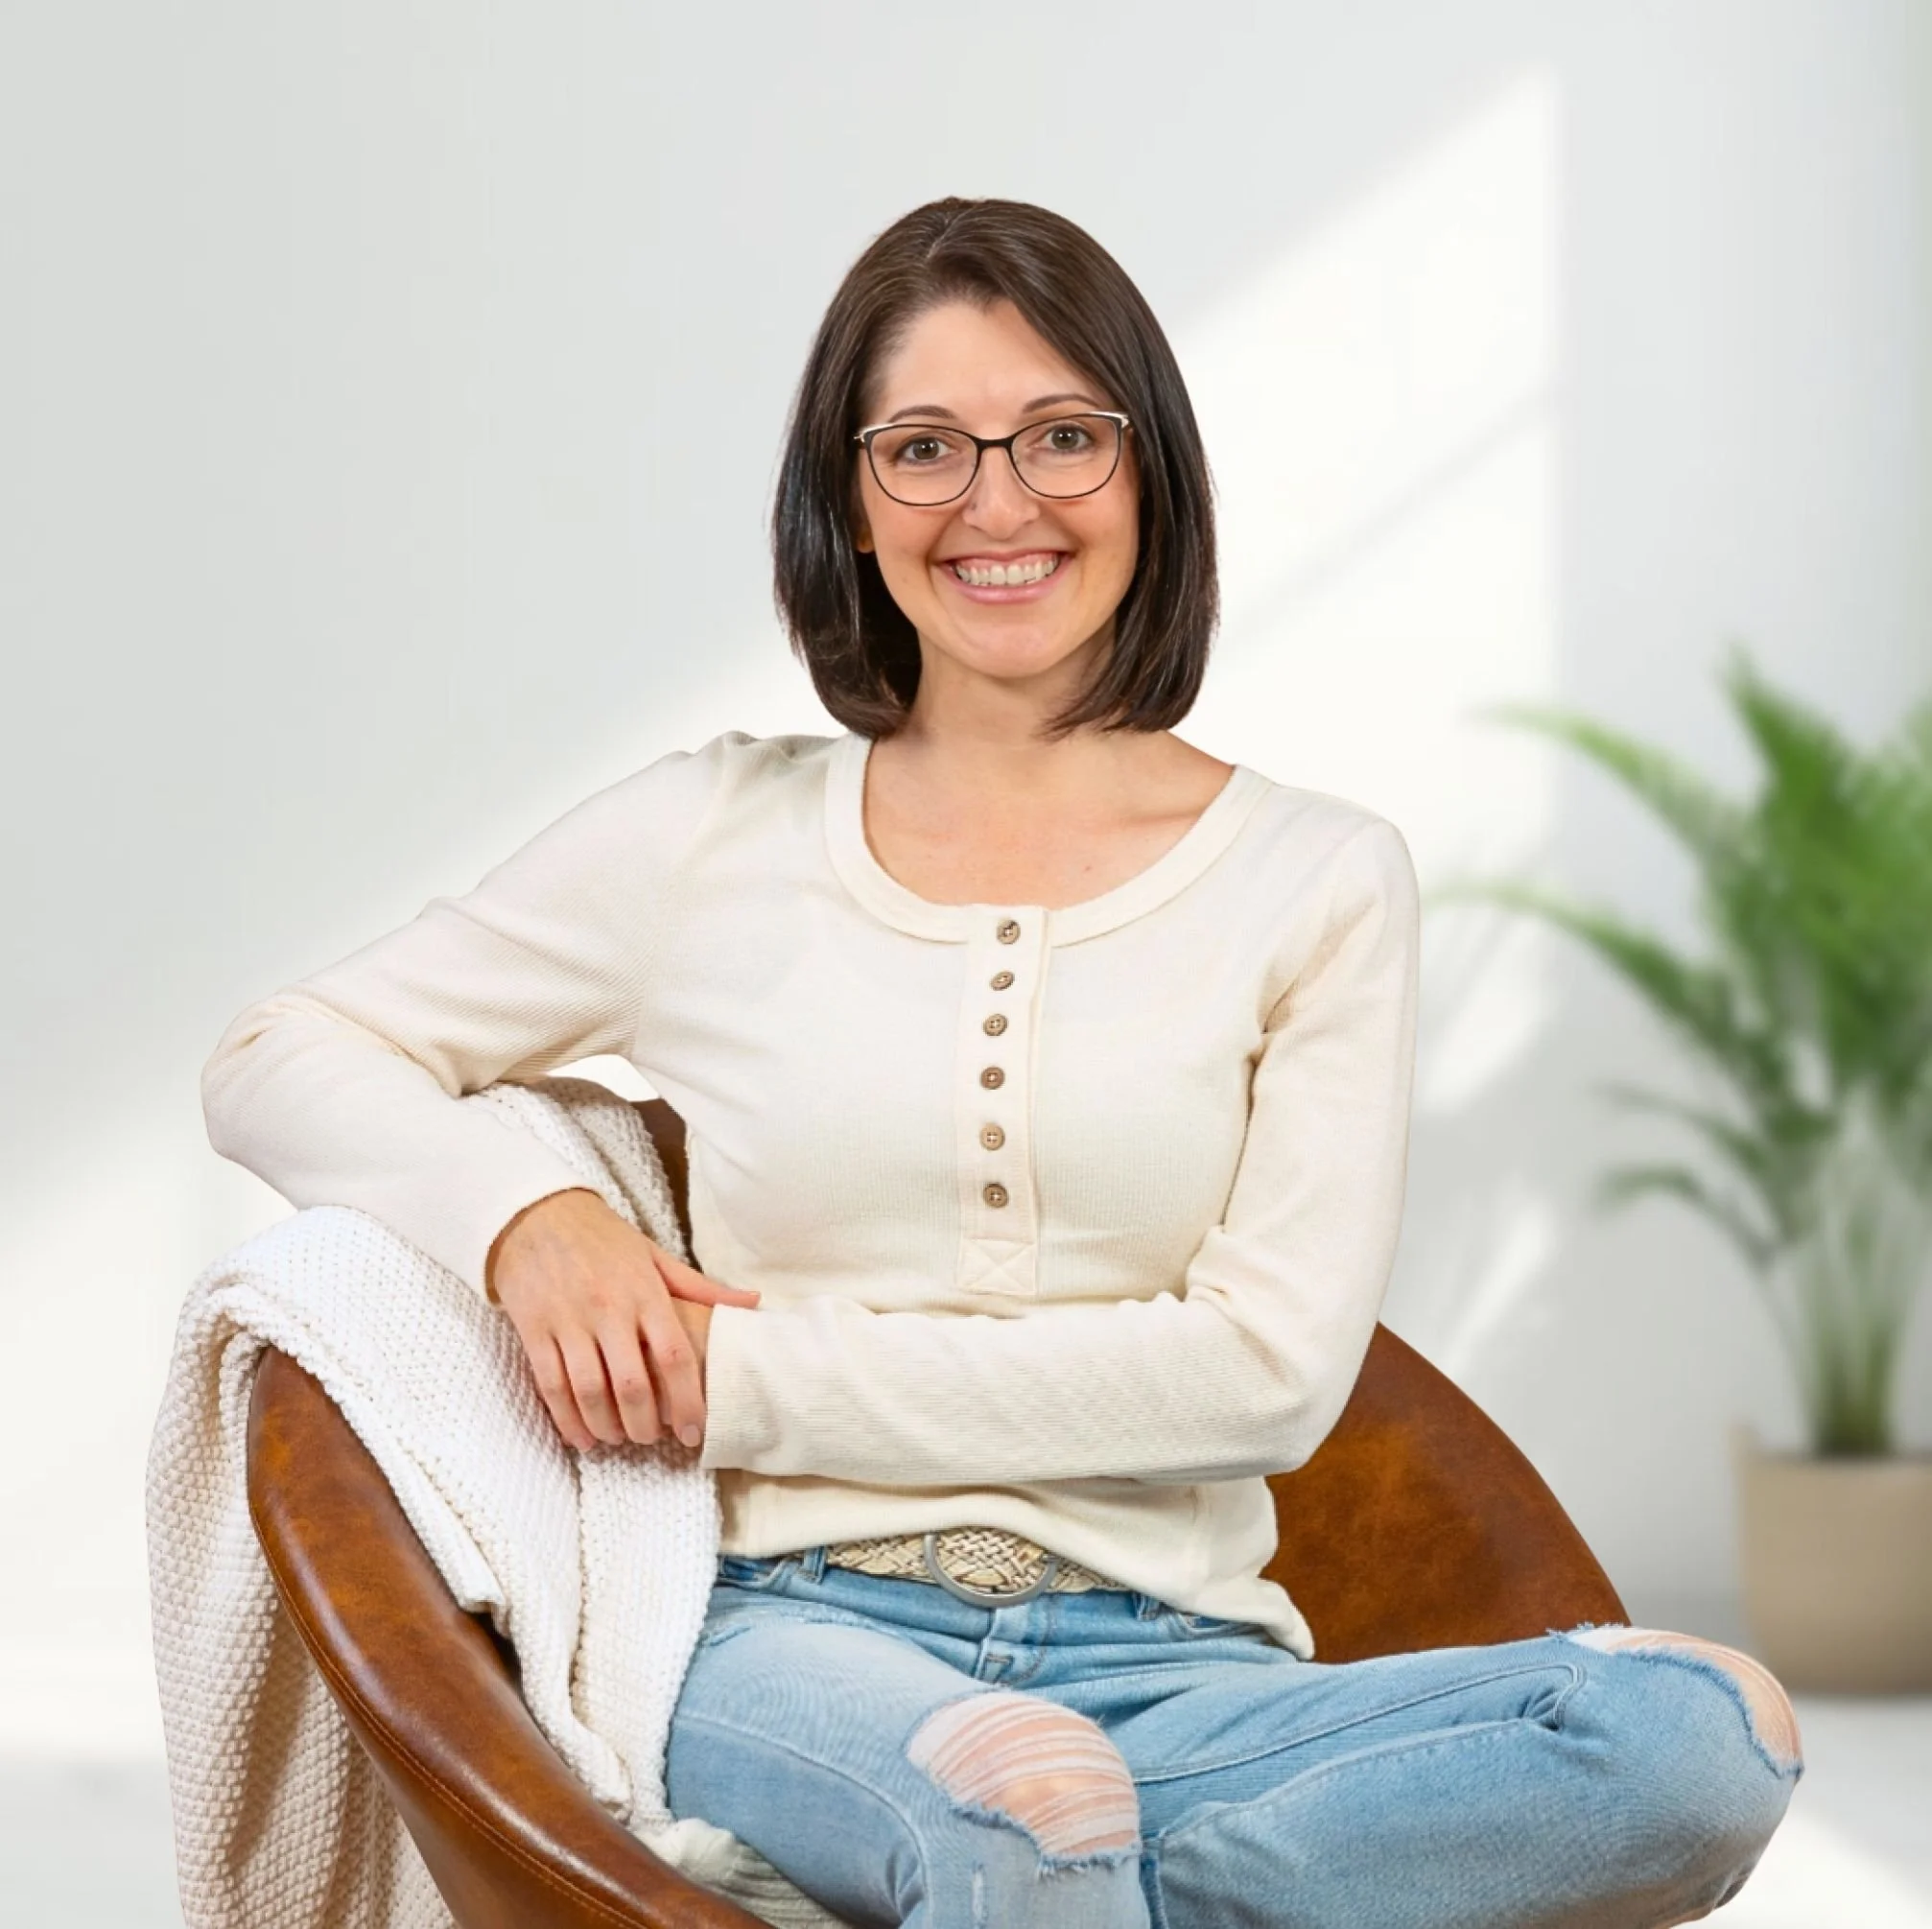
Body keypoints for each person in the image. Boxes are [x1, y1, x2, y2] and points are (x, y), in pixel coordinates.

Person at [202, 197, 1801, 1929]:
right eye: (922, 448)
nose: (996, 502)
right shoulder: (705, 837)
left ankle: (1017, 1881)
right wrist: (528, 1216)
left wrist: (739, 1385)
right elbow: (278, 1052)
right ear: (850, 500)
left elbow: (1263, 1374)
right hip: (790, 1641)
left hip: (1194, 1673)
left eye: (1059, 436)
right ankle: (1025, 1864)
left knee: (1706, 1736)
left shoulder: (1318, 877)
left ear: (1147, 473)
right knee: (1029, 1811)